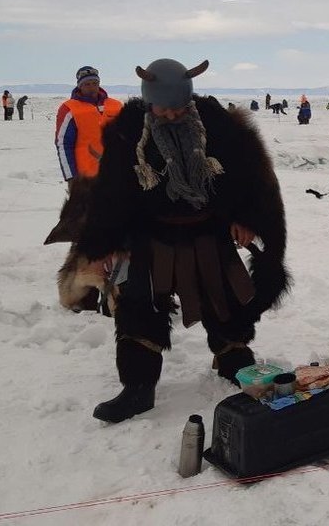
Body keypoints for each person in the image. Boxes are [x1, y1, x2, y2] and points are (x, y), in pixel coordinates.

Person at [77, 58, 289, 423]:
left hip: (207, 231)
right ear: (148, 101)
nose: (172, 116)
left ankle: (233, 361)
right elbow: (111, 192)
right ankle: (137, 387)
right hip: (150, 234)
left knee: (224, 300)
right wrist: (104, 240)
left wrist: (247, 218)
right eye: (163, 109)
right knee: (138, 307)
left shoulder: (219, 126)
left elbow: (250, 178)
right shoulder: (128, 131)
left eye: (179, 109)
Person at [55, 66, 124, 181]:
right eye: (87, 84)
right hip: (86, 178)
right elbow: (63, 144)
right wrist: (71, 177)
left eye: (95, 83)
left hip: (117, 172)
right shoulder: (69, 109)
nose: (92, 87)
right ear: (80, 86)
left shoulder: (116, 106)